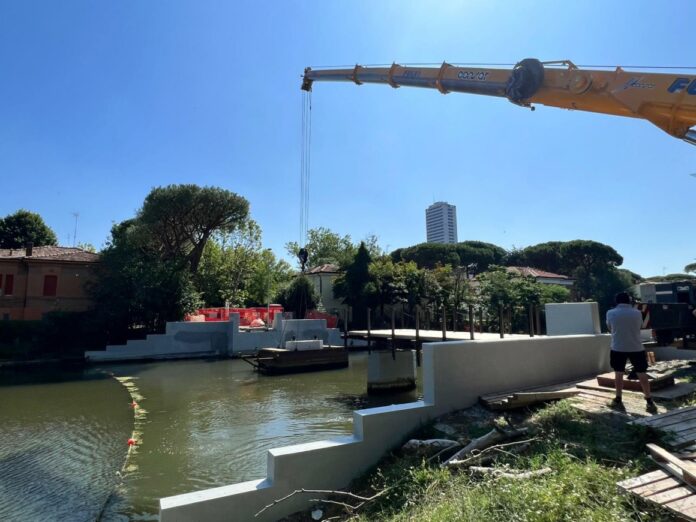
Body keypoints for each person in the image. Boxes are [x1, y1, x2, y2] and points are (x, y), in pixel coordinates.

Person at [606, 291, 657, 412]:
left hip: (618, 347)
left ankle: (618, 399)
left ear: (616, 301)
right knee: (642, 373)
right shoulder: (637, 313)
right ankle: (649, 400)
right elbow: (639, 327)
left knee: (618, 373)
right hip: (636, 347)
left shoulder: (610, 313)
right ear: (629, 301)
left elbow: (609, 328)